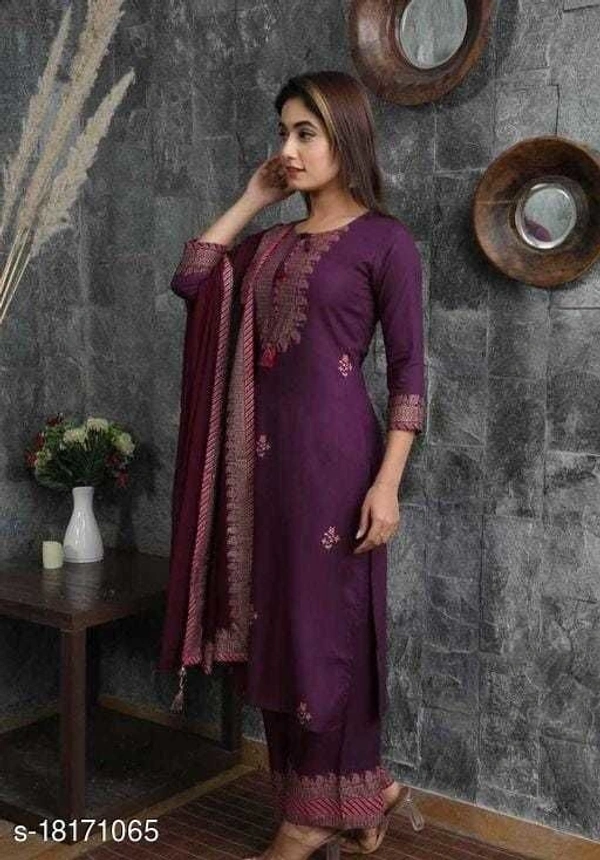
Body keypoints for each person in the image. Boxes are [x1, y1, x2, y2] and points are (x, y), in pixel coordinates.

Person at [157, 70, 426, 860]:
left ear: (346, 135)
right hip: (260, 474)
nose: (289, 148)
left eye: (306, 132)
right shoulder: (268, 243)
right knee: (277, 631)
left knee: (328, 635)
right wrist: (252, 198)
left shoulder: (385, 241)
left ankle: (314, 818)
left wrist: (388, 483)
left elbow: (410, 376)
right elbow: (192, 277)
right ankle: (353, 797)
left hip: (339, 470)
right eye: (283, 132)